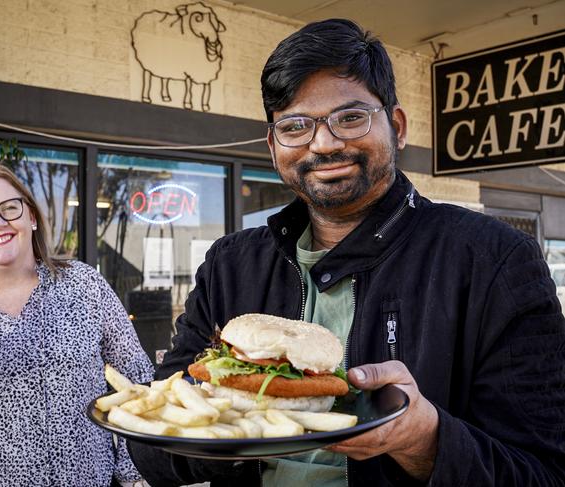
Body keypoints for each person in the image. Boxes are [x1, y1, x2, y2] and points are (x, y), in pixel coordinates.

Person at [127, 18, 565, 487]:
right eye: (295, 126)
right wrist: (219, 429)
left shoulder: (494, 260)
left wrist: (425, 440)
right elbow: (149, 449)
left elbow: (545, 473)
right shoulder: (229, 265)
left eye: (350, 117)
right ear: (273, 146)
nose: (325, 143)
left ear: (395, 126)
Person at [0, 158, 155, 486]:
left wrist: (133, 475)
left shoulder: (85, 285)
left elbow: (137, 382)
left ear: (30, 216)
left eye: (9, 208)